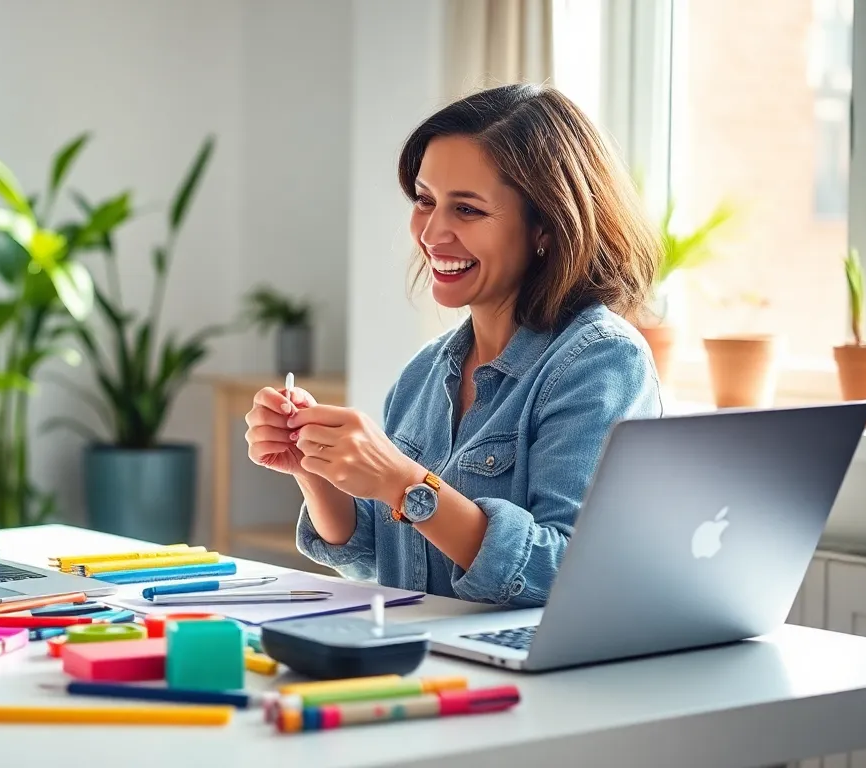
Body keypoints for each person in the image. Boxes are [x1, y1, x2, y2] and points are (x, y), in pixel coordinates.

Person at [244, 84, 663, 608]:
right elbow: (384, 554)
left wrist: (404, 484)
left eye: (467, 210)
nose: (433, 233)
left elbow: (568, 572)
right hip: (425, 656)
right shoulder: (426, 372)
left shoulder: (601, 361)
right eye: (425, 201)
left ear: (546, 228)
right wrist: (314, 468)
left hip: (528, 678)